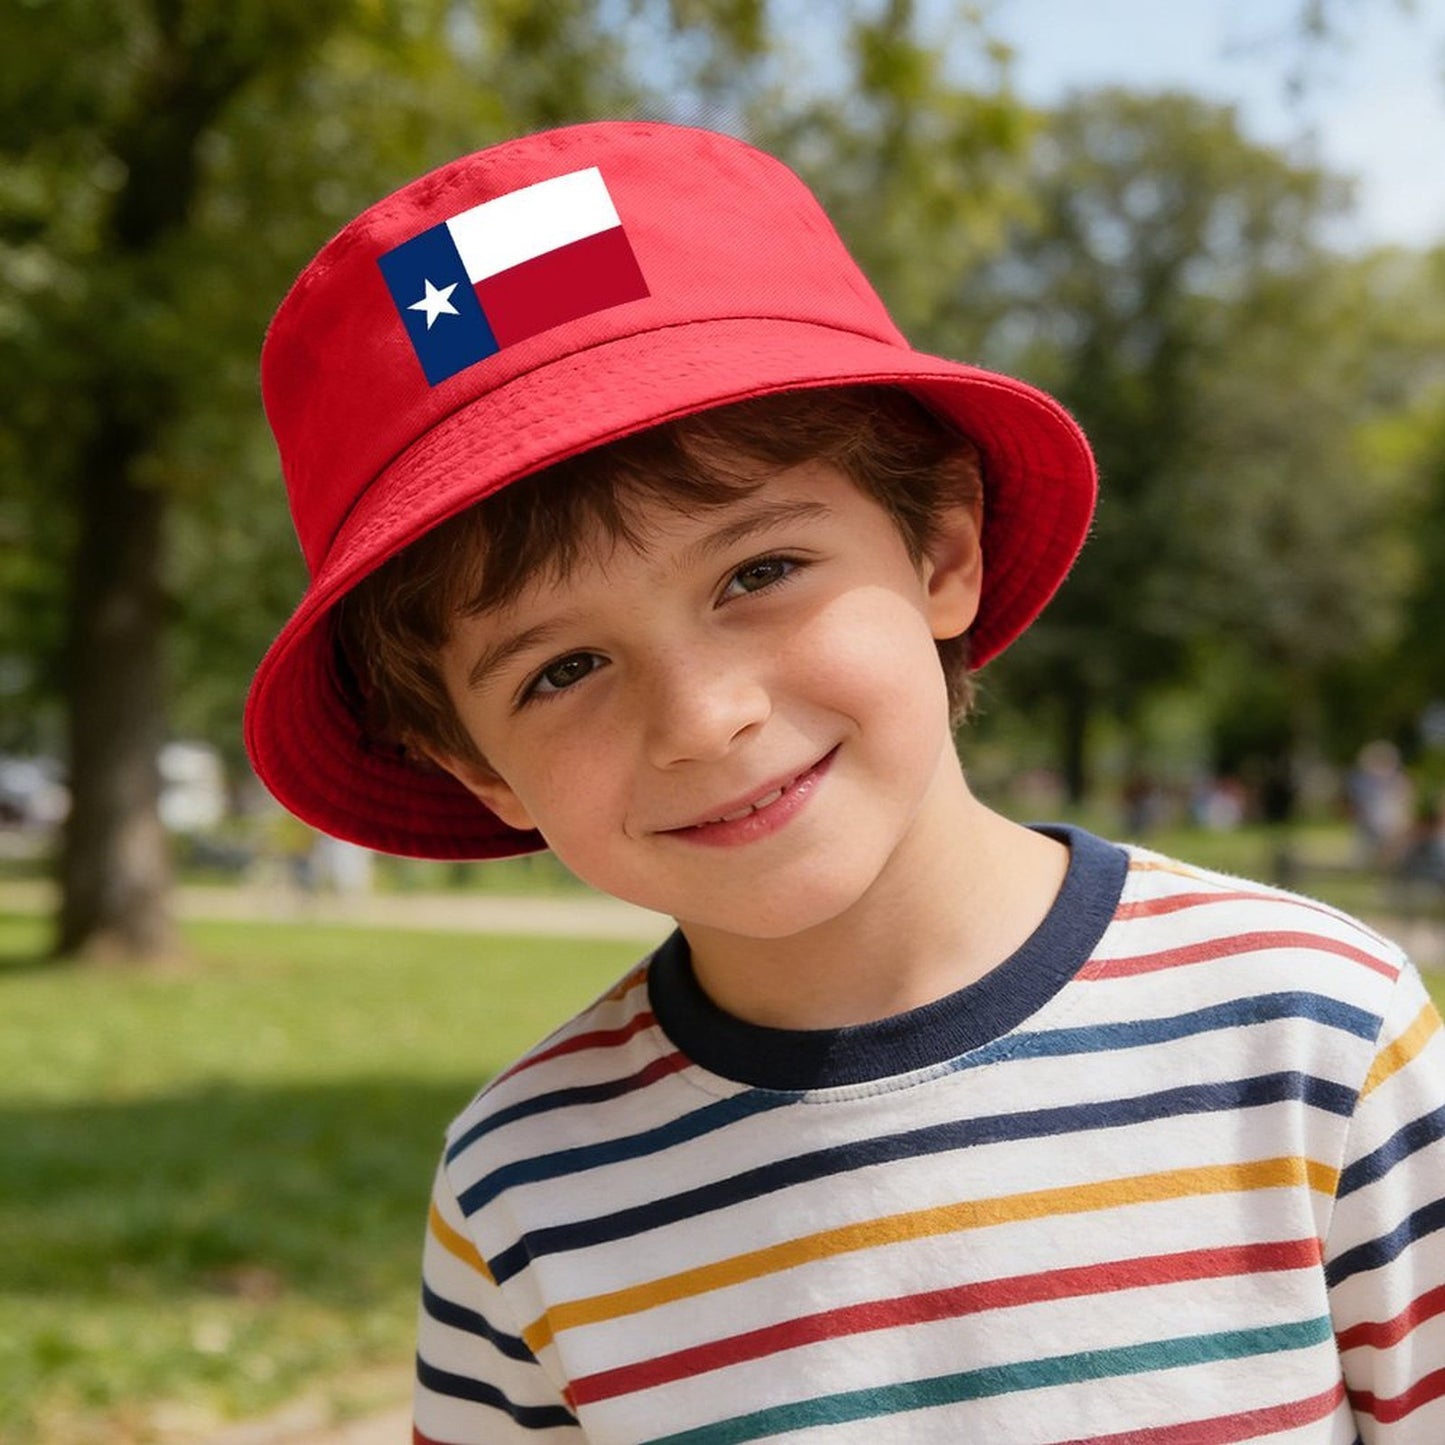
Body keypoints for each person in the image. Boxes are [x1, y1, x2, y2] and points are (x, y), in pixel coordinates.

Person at [244, 122, 1445, 1442]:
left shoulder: (1309, 1035)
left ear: (941, 548)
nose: (702, 719)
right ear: (475, 765)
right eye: (562, 666)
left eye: (757, 573)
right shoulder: (522, 1188)